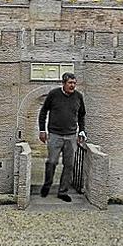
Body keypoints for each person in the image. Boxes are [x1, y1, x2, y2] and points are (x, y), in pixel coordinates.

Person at [38, 72, 86, 202]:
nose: (73, 85)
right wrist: (42, 130)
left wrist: (82, 131)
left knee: (69, 165)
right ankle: (47, 185)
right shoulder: (53, 94)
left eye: (74, 83)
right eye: (70, 83)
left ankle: (63, 191)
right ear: (63, 83)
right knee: (52, 161)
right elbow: (43, 112)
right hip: (55, 134)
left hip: (71, 136)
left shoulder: (78, 97)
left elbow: (81, 115)